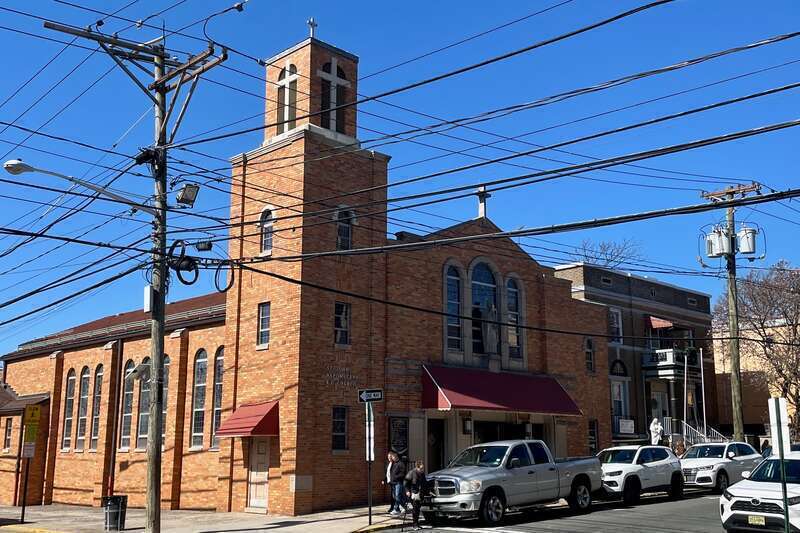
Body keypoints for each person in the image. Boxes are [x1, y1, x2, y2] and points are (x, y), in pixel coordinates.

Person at [404, 461, 427, 530]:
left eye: (423, 468)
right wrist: (407, 491)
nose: (422, 470)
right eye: (421, 468)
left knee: (417, 509)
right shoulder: (411, 473)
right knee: (415, 509)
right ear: (417, 467)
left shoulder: (422, 474)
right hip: (413, 493)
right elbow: (405, 482)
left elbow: (424, 483)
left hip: (420, 494)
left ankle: (417, 523)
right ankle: (415, 524)